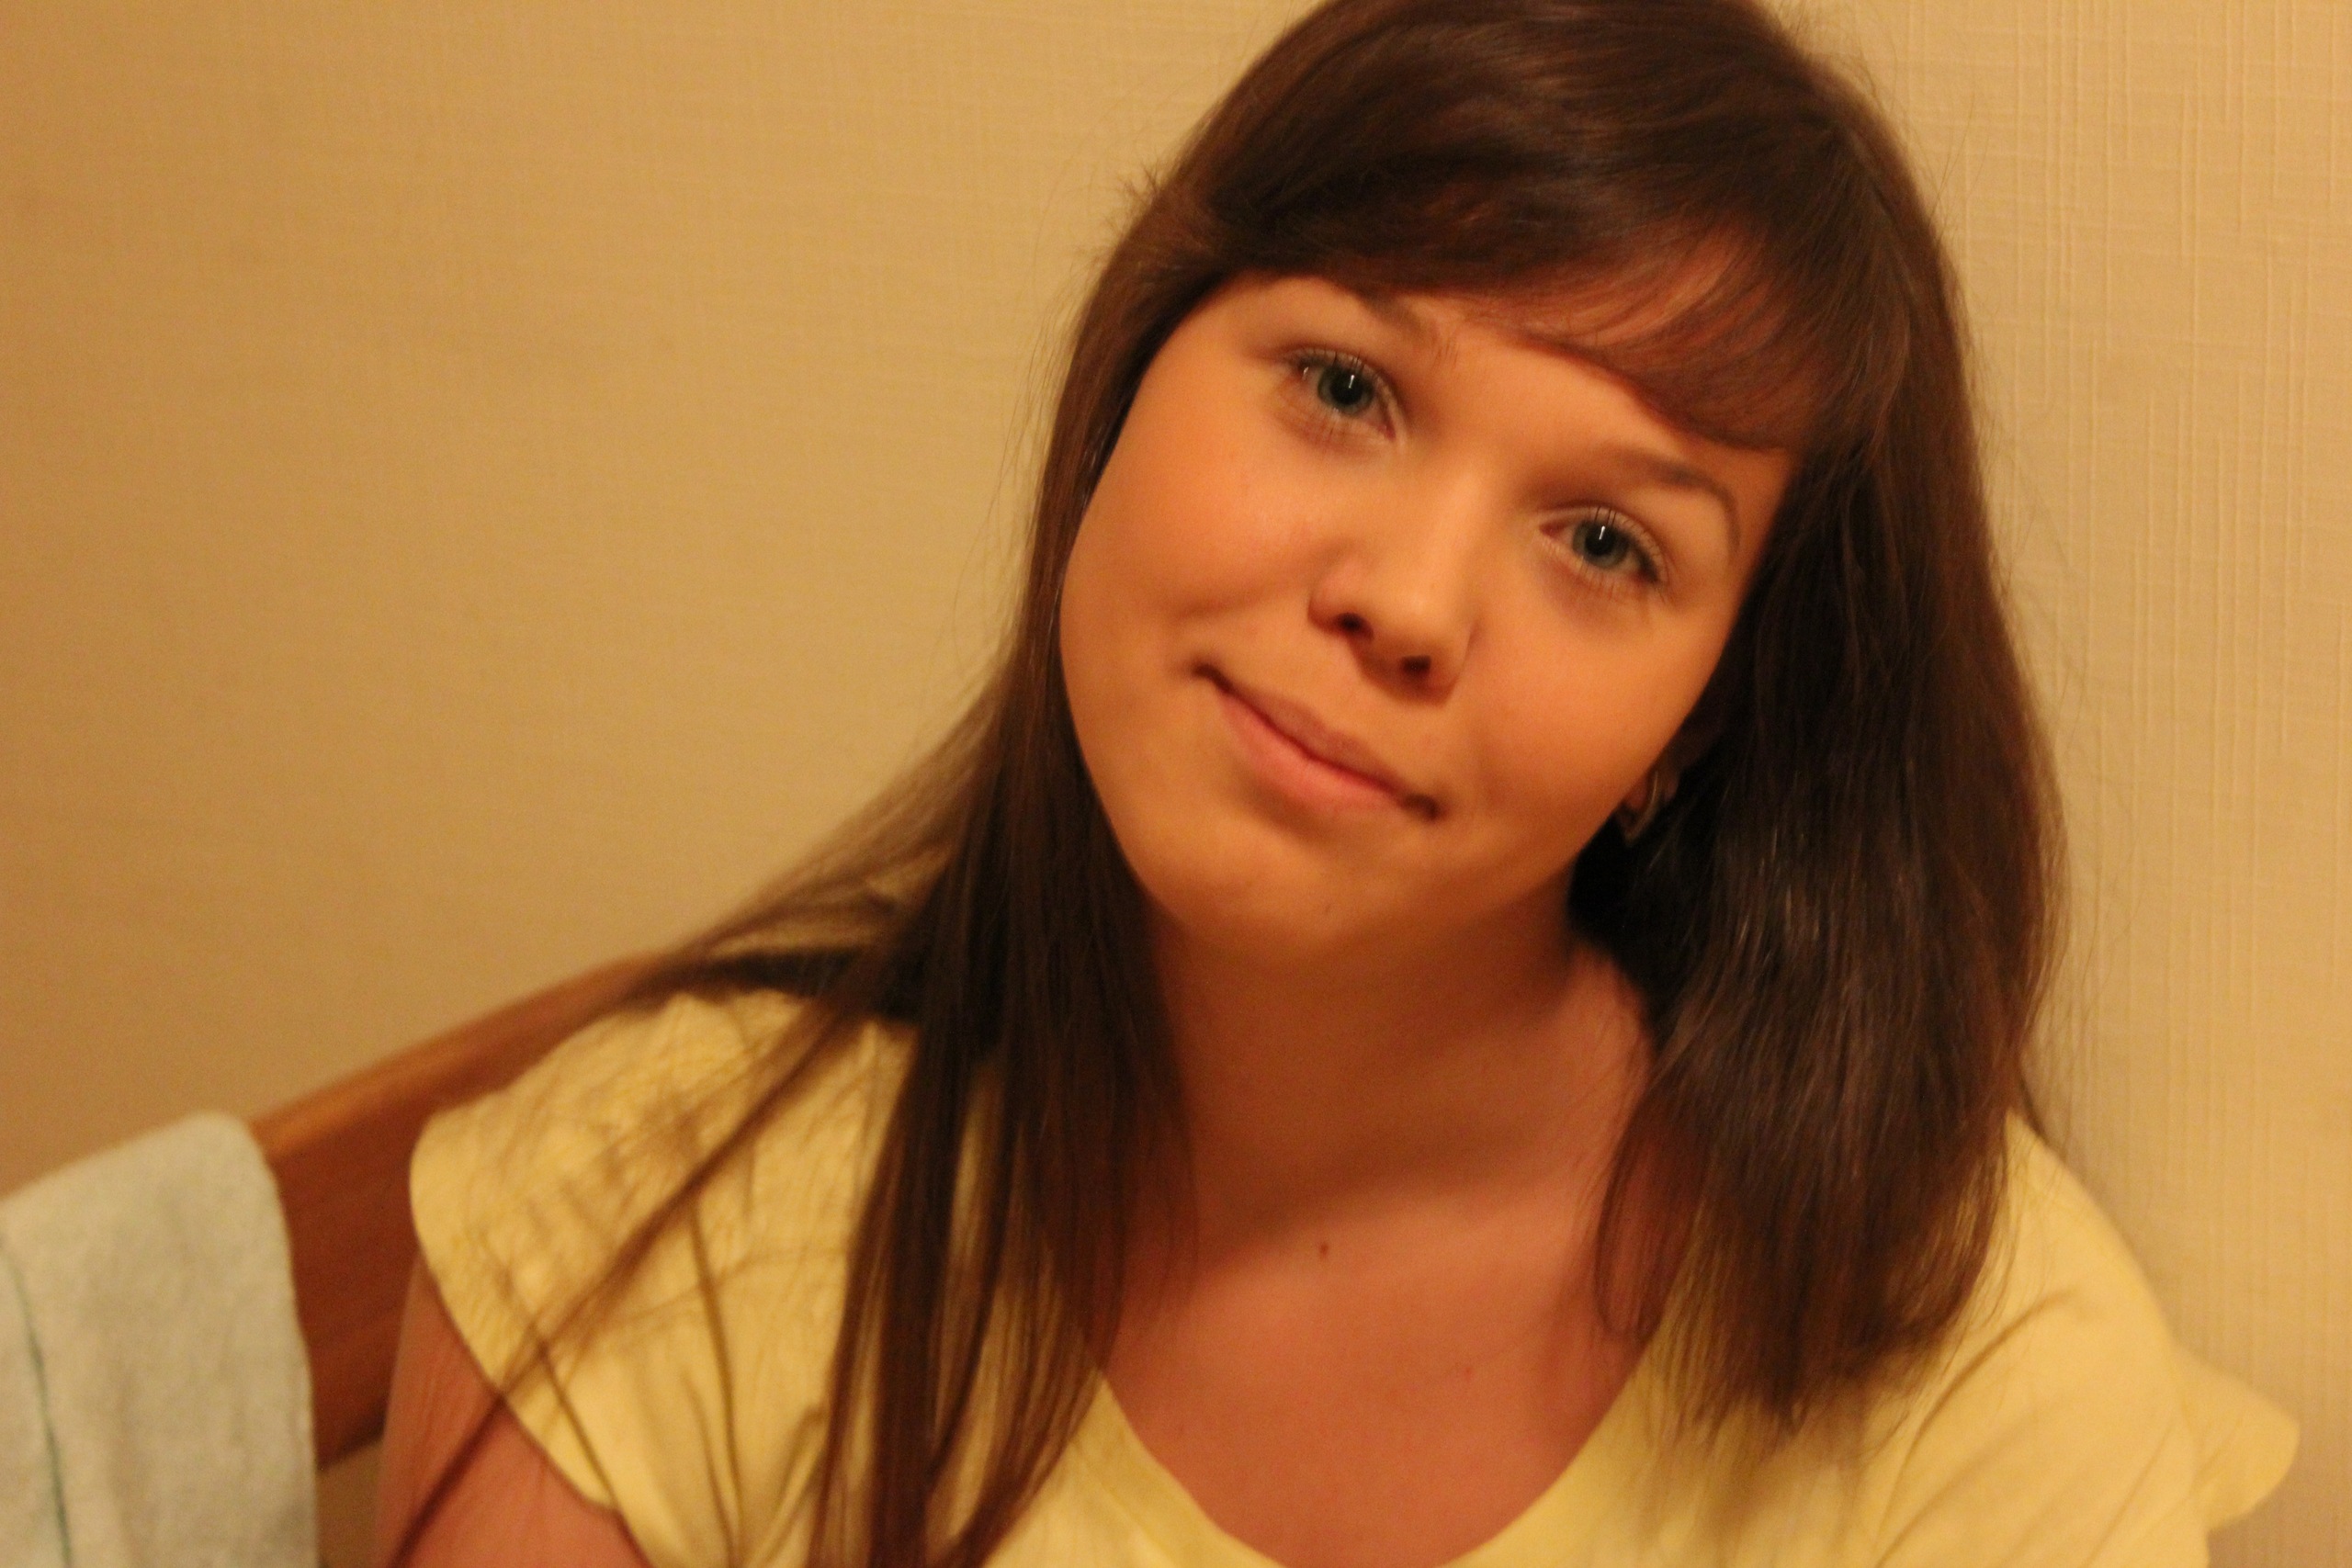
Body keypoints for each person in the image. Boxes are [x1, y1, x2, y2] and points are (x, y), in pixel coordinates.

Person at [373, 1, 2298, 1564]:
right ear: (1131, 368)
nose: (1407, 602)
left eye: (1606, 544)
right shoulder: (637, 1230)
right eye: (1346, 389)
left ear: (1701, 725)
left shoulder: (1972, 1366)